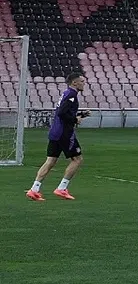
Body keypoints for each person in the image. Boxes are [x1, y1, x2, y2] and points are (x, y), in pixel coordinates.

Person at [26, 72, 88, 201]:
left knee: (50, 161)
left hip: (55, 131)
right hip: (64, 133)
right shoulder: (71, 95)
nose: (84, 83)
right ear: (74, 83)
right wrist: (75, 120)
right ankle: (62, 188)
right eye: (81, 81)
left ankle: (34, 190)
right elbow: (61, 113)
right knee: (77, 159)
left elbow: (65, 112)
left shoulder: (66, 94)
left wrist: (81, 114)